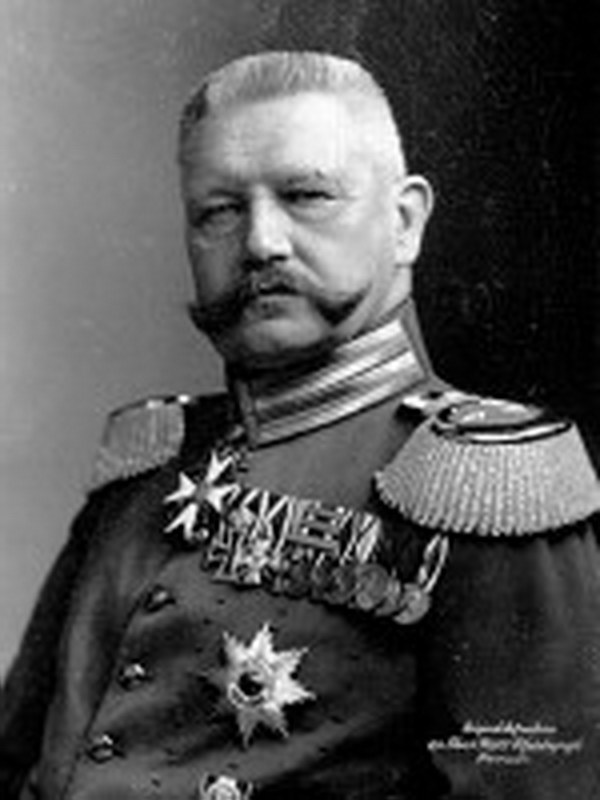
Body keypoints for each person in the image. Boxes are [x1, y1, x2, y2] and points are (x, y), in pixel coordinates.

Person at [1, 50, 600, 800]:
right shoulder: (146, 469)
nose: (260, 243)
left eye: (307, 196)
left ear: (405, 221)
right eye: (219, 211)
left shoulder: (486, 483)